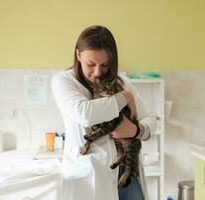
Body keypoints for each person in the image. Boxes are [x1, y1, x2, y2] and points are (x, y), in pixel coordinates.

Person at [51, 25, 156, 200]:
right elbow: (85, 114)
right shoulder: (63, 81)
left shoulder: (122, 82)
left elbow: (151, 118)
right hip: (89, 175)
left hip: (126, 173)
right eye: (91, 64)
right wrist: (125, 97)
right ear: (78, 55)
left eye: (105, 64)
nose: (98, 72)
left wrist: (136, 131)